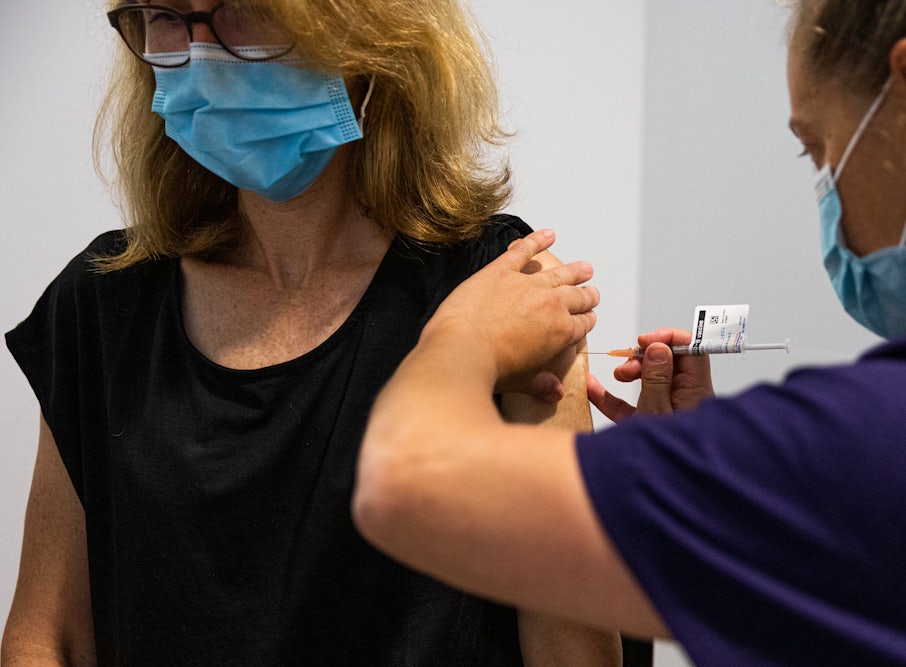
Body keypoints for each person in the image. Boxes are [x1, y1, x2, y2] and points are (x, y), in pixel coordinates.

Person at [352, 1, 906, 664]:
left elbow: (403, 480)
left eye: (818, 151)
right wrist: (681, 478)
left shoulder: (901, 444)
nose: (827, 194)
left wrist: (459, 330)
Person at [1, 1, 624, 664]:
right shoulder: (103, 305)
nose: (200, 53)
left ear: (367, 33)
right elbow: (48, 636)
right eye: (165, 16)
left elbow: (572, 650)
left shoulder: (504, 291)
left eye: (239, 9)